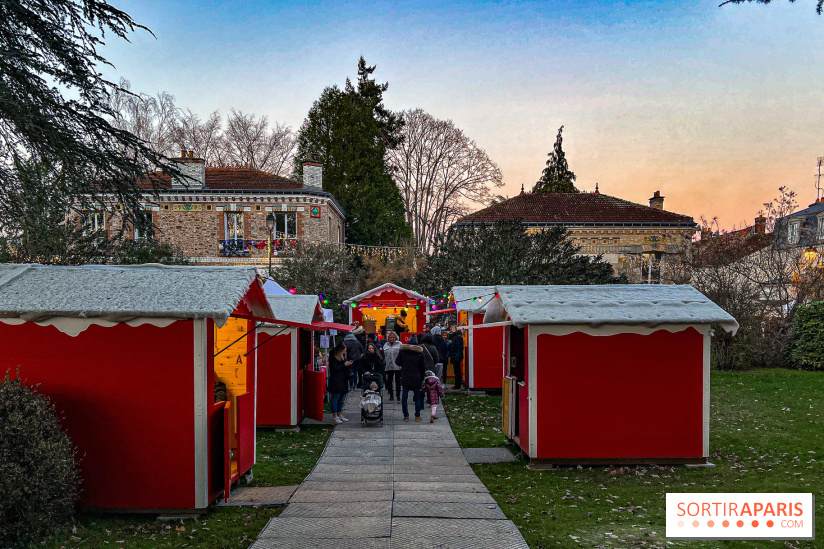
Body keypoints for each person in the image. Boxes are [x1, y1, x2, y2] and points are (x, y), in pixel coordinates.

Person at [397, 335, 426, 422]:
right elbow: (423, 367)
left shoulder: (403, 352)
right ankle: (417, 416)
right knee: (417, 398)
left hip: (405, 377)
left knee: (404, 398)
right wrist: (421, 378)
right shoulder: (420, 354)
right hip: (416, 377)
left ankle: (406, 416)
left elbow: (397, 362)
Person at [327, 342, 353, 424]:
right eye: (343, 351)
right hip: (336, 380)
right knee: (336, 397)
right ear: (339, 351)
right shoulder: (333, 358)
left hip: (343, 379)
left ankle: (339, 414)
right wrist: (344, 365)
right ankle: (335, 416)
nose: (345, 352)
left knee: (341, 398)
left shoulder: (343, 357)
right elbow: (334, 369)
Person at [382, 330, 402, 401]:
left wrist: (401, 365)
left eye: (393, 337)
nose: (392, 338)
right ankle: (391, 395)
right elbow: (383, 355)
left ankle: (398, 395)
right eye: (390, 337)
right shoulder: (386, 345)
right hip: (388, 366)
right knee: (389, 381)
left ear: (396, 337)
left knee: (398, 381)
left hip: (397, 366)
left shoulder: (399, 344)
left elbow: (402, 355)